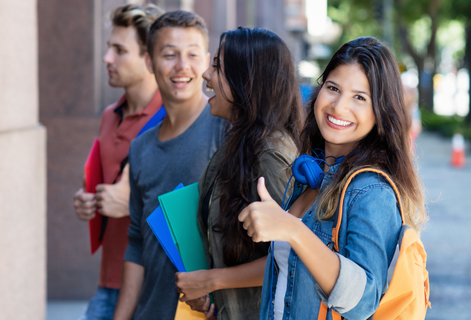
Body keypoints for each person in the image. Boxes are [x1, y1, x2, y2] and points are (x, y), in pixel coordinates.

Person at [238, 37, 428, 320]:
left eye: (360, 98)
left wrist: (292, 229)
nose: (339, 107)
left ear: (380, 113)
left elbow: (364, 302)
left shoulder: (371, 191)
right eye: (333, 88)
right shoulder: (309, 176)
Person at [174, 27, 304, 320]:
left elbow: (298, 254)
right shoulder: (240, 143)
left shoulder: (271, 154)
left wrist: (212, 280)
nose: (206, 75)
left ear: (247, 81)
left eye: (217, 66)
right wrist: (209, 293)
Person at [113, 11, 225, 320]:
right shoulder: (141, 148)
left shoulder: (225, 130)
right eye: (169, 55)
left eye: (192, 55)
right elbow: (136, 242)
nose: (182, 66)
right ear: (149, 62)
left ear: (205, 61)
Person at [73, 4, 164, 319]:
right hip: (107, 281)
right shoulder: (109, 115)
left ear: (148, 58)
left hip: (153, 287)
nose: (107, 58)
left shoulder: (173, 120)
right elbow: (99, 179)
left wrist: (133, 203)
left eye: (119, 50)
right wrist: (86, 200)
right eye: (109, 47)